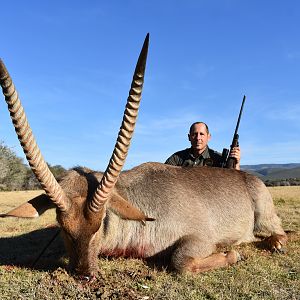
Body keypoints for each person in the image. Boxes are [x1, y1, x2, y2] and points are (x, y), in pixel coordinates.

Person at [165, 121, 241, 170]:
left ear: (209, 137)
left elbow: (233, 181)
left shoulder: (219, 159)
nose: (198, 138)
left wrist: (236, 163)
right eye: (194, 134)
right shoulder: (176, 158)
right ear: (189, 137)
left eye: (201, 134)